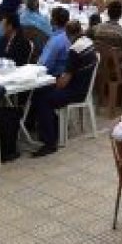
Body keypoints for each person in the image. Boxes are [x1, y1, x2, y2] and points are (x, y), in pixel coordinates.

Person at [29, 22, 96, 157]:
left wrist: (53, 82)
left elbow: (64, 82)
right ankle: (52, 129)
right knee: (41, 92)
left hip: (76, 91)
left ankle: (49, 142)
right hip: (83, 86)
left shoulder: (74, 50)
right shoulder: (89, 42)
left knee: (43, 99)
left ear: (67, 35)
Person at [37, 7, 72, 77]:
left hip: (50, 79)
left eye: (51, 18)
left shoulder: (56, 41)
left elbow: (45, 66)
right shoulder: (69, 36)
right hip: (62, 75)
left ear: (53, 21)